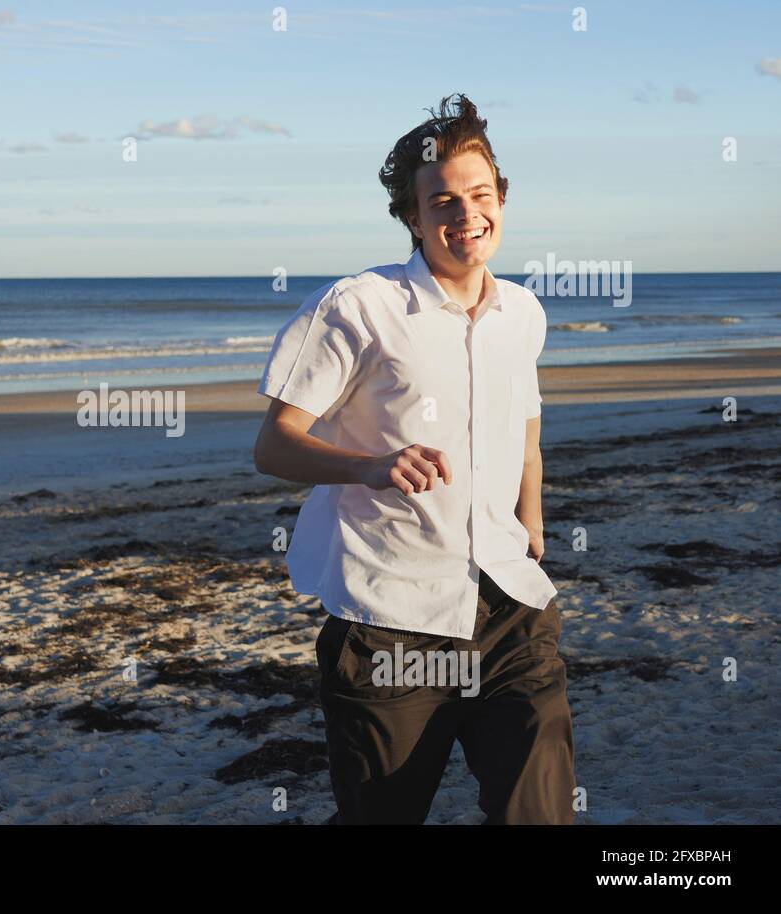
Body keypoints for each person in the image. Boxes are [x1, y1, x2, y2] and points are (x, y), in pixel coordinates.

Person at [252, 94, 576, 825]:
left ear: (501, 200)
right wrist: (368, 466)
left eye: (480, 196)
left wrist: (531, 520)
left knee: (539, 812)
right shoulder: (357, 308)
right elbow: (273, 445)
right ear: (412, 215)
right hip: (389, 618)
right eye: (443, 202)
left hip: (508, 612)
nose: (466, 216)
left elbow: (524, 424)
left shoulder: (523, 313)